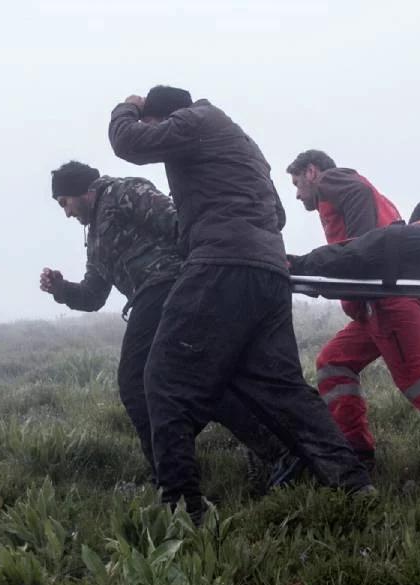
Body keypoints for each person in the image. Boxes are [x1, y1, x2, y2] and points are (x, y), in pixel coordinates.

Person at [108, 86, 373, 521]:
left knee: (162, 379)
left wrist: (128, 108)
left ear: (165, 116)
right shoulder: (241, 143)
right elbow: (279, 215)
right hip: (266, 271)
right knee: (282, 387)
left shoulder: (194, 121)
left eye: (156, 125)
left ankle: (182, 506)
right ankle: (353, 482)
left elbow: (128, 143)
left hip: (220, 265)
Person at [39, 161, 301, 491]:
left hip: (172, 287)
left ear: (82, 191)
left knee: (135, 382)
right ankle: (278, 453)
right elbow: (93, 296)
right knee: (200, 384)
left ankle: (169, 478)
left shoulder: (124, 191)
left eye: (64, 202)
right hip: (151, 297)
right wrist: (62, 289)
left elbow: (180, 224)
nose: (66, 212)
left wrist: (214, 273)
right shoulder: (95, 238)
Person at [286, 150, 420, 493]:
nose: (297, 194)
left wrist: (302, 264)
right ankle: (356, 453)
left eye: (297, 183)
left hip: (391, 300)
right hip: (378, 303)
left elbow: (362, 248)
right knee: (334, 362)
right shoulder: (342, 198)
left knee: (416, 377)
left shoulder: (336, 182)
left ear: (312, 172)